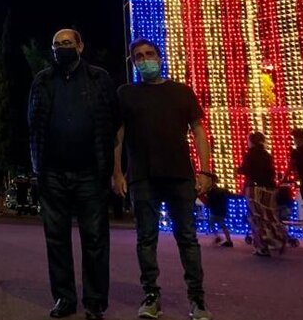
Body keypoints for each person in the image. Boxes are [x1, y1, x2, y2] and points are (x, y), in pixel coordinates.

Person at [113, 38, 214, 320]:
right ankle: (151, 296)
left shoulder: (181, 92)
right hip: (142, 176)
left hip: (180, 175)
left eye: (149, 54)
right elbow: (117, 136)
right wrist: (117, 172)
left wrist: (205, 171)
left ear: (159, 56)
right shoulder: (126, 94)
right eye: (138, 57)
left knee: (187, 239)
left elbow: (199, 132)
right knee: (146, 239)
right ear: (133, 63)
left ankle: (197, 299)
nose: (145, 60)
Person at [28, 29, 117, 320]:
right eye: (57, 44)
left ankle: (94, 302)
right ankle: (64, 298)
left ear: (80, 45)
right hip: (52, 172)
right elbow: (33, 121)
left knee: (95, 239)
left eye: (68, 43)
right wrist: (37, 166)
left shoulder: (99, 78)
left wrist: (114, 170)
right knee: (56, 239)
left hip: (91, 171)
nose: (62, 48)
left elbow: (112, 123)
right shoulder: (42, 79)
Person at [236, 131, 286, 256]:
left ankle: (262, 246)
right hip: (269, 188)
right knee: (270, 215)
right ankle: (278, 237)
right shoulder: (267, 155)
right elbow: (272, 172)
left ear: (251, 141)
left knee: (256, 217)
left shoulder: (249, 155)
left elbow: (247, 170)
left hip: (254, 188)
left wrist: (239, 170)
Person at [203, 178, 233, 248]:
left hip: (215, 211)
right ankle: (228, 240)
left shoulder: (211, 193)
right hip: (222, 211)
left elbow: (209, 203)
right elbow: (229, 195)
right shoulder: (222, 191)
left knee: (212, 224)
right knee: (222, 225)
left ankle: (218, 237)